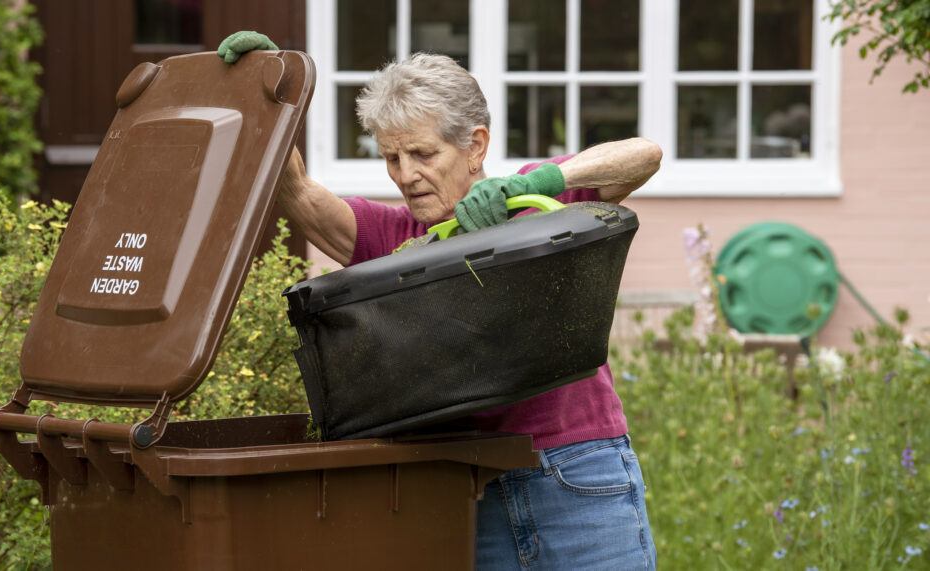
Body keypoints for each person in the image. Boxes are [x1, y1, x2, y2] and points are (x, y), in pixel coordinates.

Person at [218, 31, 661, 570]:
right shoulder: (392, 242)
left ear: (475, 145)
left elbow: (643, 155)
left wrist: (549, 176)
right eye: (391, 158)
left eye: (423, 154)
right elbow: (297, 191)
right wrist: (268, 88)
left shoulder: (532, 205)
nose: (406, 175)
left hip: (575, 475)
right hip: (464, 489)